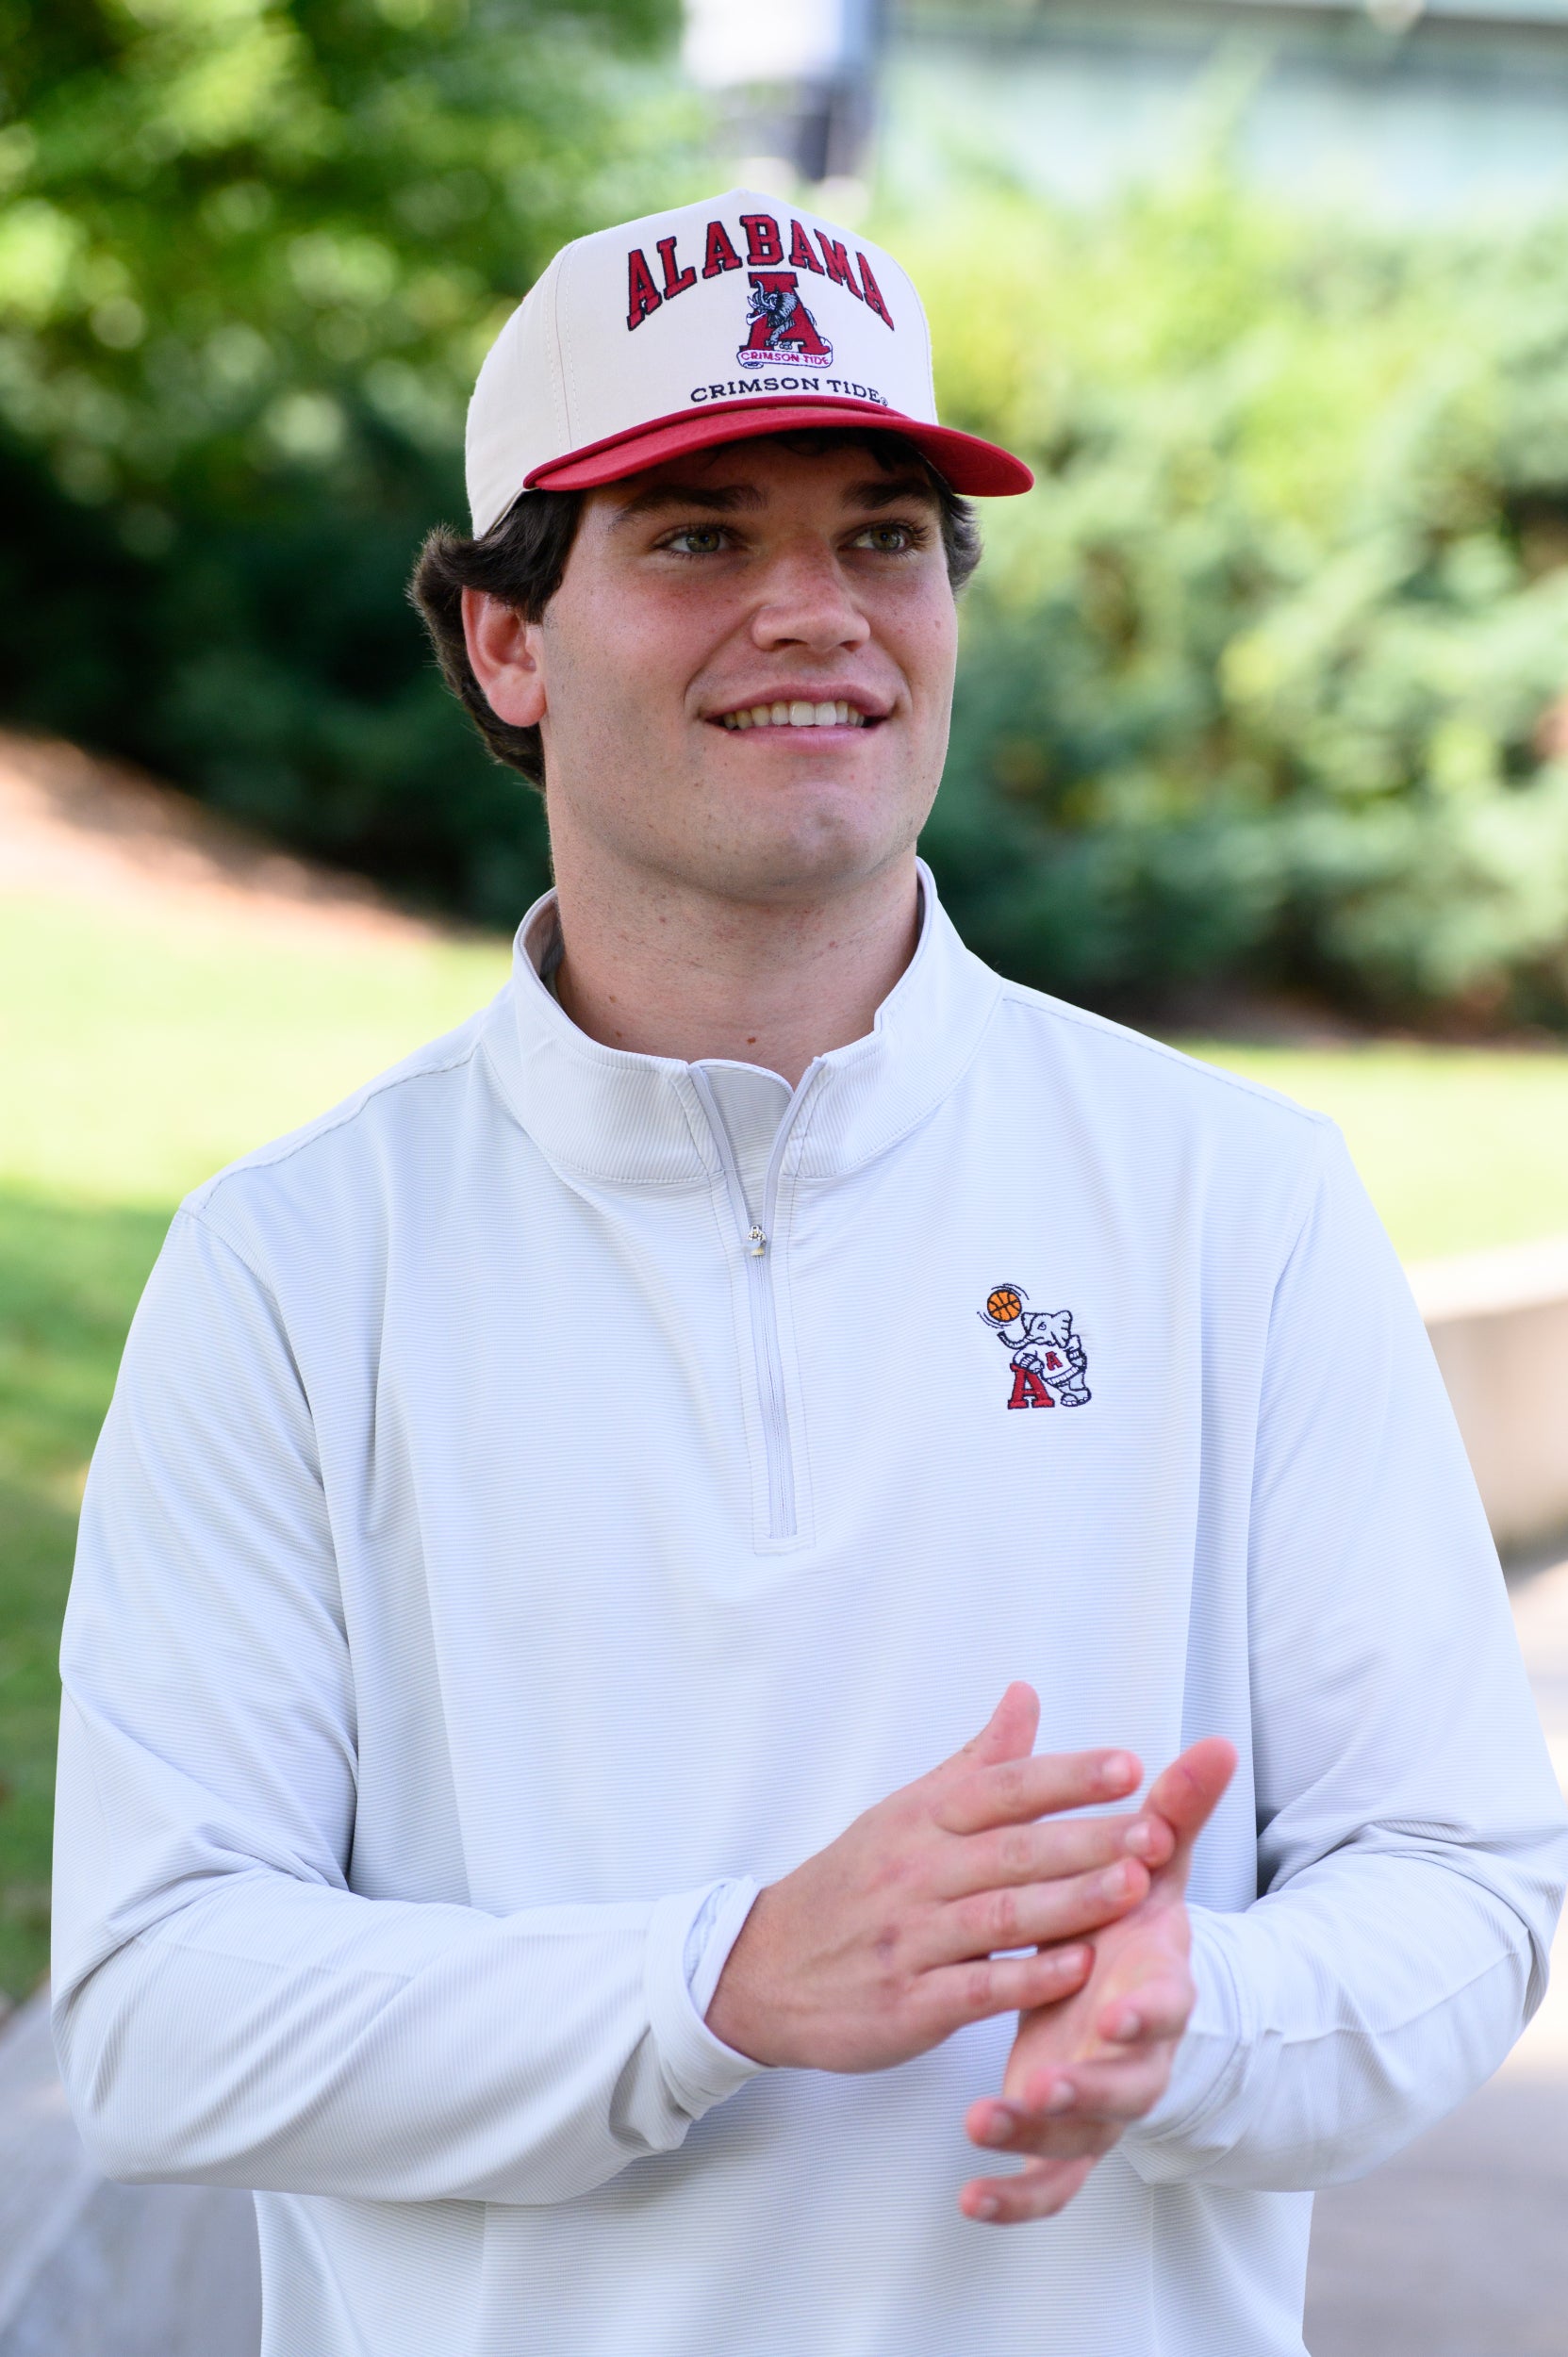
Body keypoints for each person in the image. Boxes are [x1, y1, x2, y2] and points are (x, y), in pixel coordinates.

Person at [52, 190, 1567, 2357]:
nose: (817, 612)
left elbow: (1459, 1878)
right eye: (697, 534)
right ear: (504, 638)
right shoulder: (296, 1267)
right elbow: (155, 2007)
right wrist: (718, 1979)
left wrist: (1199, 2016)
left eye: (882, 536)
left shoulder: (1233, 1199)